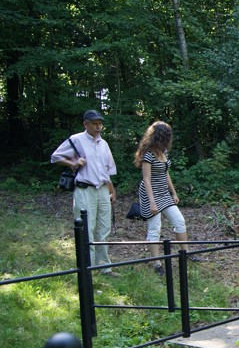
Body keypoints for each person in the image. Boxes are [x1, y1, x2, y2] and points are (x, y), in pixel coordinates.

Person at [51, 109, 119, 276]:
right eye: (95, 124)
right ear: (85, 124)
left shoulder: (103, 144)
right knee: (86, 228)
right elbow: (56, 156)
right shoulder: (76, 140)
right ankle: (87, 268)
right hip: (84, 189)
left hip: (102, 189)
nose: (98, 127)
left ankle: (104, 267)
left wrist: (111, 190)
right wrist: (72, 163)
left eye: (100, 124)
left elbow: (106, 171)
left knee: (104, 228)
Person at [134, 121, 201, 276]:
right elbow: (146, 180)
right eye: (167, 136)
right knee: (155, 228)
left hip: (164, 194)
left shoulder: (163, 152)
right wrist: (152, 202)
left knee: (179, 221)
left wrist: (174, 193)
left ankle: (185, 253)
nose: (169, 139)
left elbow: (166, 173)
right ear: (159, 137)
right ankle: (157, 264)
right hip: (150, 195)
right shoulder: (148, 155)